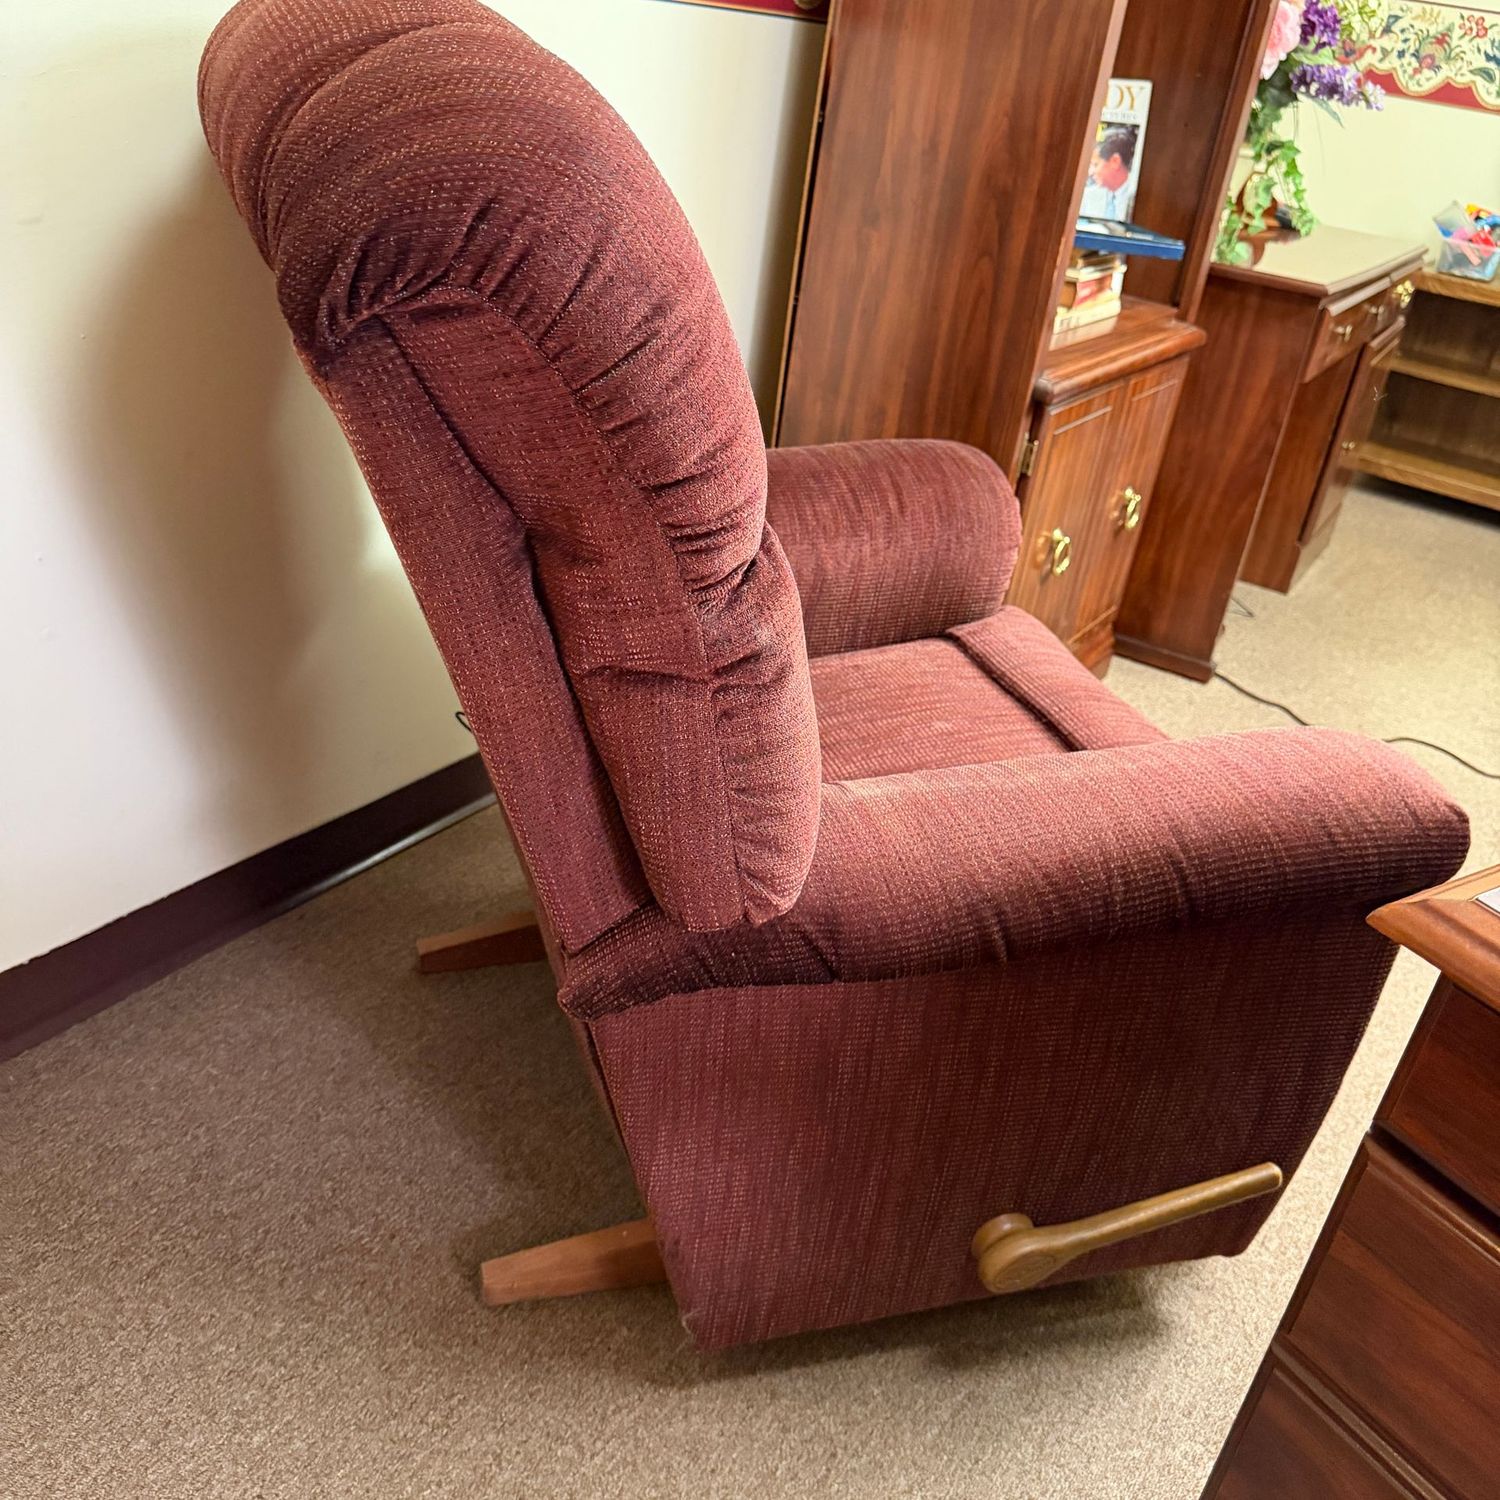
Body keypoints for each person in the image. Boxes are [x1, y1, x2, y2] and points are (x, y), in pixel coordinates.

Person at [1087, 126, 1137, 219]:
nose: (1090, 173)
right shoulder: (1088, 196)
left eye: (1095, 164)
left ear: (1115, 161)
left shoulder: (1136, 196)